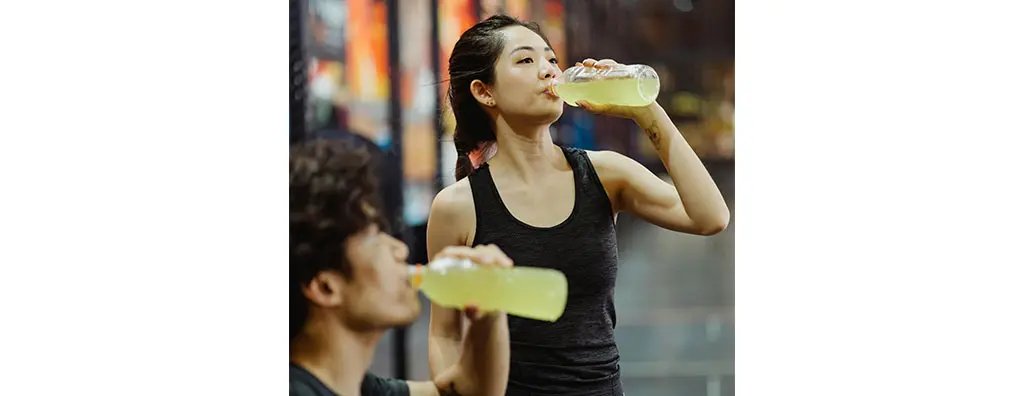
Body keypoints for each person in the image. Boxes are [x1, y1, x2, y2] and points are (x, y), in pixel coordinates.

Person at [426, 15, 731, 396]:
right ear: (484, 92)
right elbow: (445, 334)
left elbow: (711, 217)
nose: (548, 71)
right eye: (525, 61)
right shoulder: (458, 206)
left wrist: (645, 109)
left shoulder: (604, 173)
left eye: (552, 60)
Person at [290, 139, 514, 396]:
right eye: (374, 236)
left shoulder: (357, 386)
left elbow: (469, 391)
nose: (401, 250)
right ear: (325, 287)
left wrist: (489, 315)